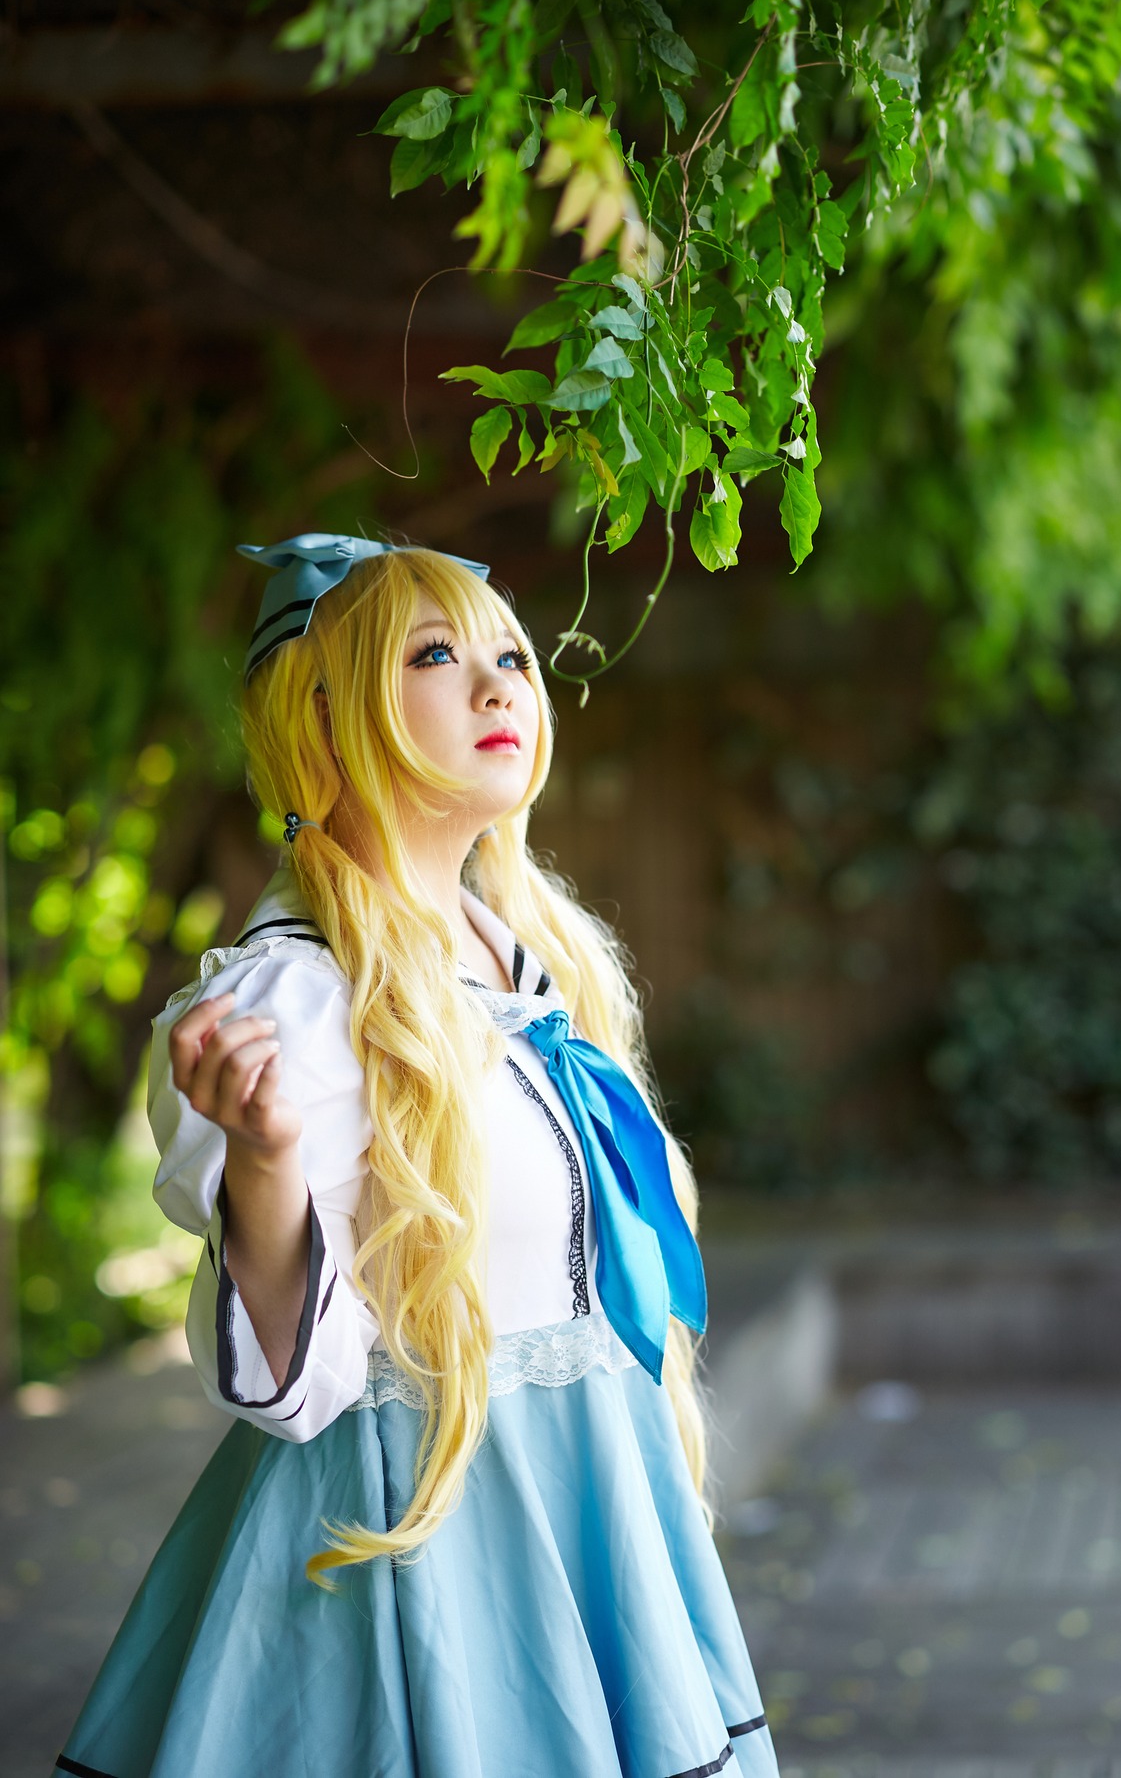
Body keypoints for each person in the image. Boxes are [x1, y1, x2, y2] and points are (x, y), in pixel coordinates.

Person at [55, 534, 778, 1778]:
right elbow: (294, 1390)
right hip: (414, 1545)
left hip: (593, 1500)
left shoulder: (536, 971)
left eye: (508, 653)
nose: (500, 684)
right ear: (321, 727)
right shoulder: (290, 1002)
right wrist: (267, 1164)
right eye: (437, 655)